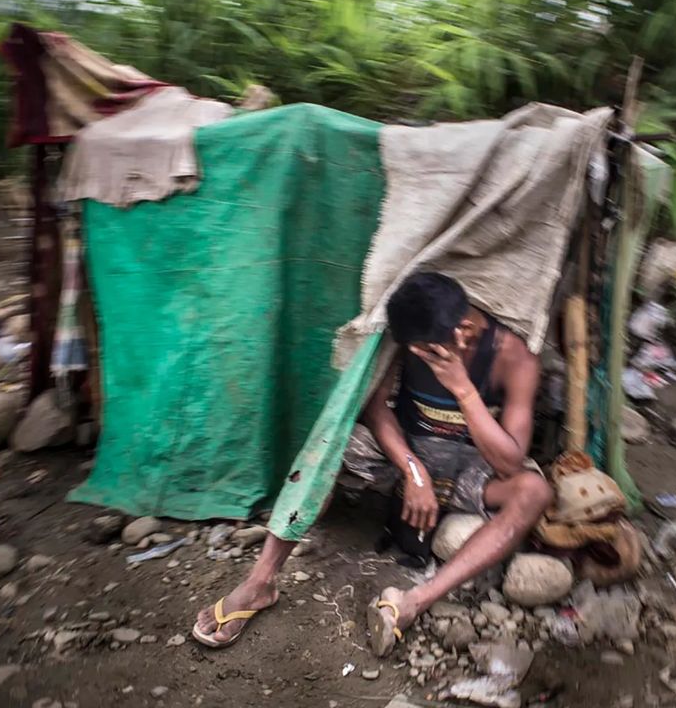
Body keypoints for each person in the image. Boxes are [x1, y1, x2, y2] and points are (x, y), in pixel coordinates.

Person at [192, 272, 553, 653]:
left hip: (468, 469)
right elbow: (375, 406)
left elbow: (511, 463)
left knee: (534, 491)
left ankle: (414, 601)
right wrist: (413, 470)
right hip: (404, 454)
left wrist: (463, 388)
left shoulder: (515, 358)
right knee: (329, 445)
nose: (420, 357)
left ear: (464, 330)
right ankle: (260, 582)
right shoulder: (407, 341)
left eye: (428, 352)